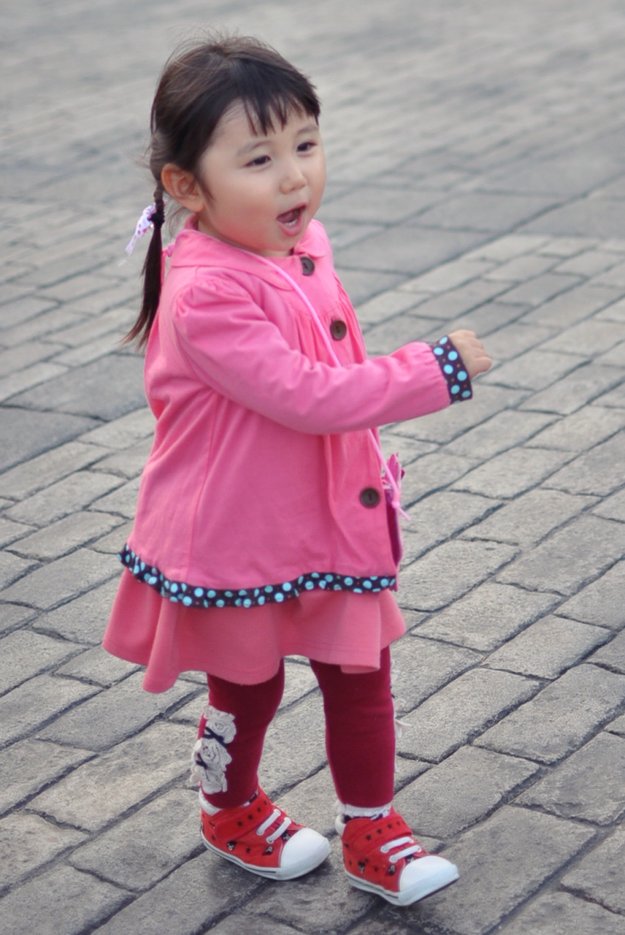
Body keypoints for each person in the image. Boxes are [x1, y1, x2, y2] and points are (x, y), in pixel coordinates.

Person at [103, 35, 492, 908]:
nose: (294, 178)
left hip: (327, 515)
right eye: (259, 159)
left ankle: (372, 830)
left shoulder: (302, 243)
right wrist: (434, 369)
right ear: (186, 186)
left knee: (361, 671)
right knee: (249, 678)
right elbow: (307, 393)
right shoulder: (207, 292)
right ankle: (228, 805)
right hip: (239, 530)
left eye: (306, 145)